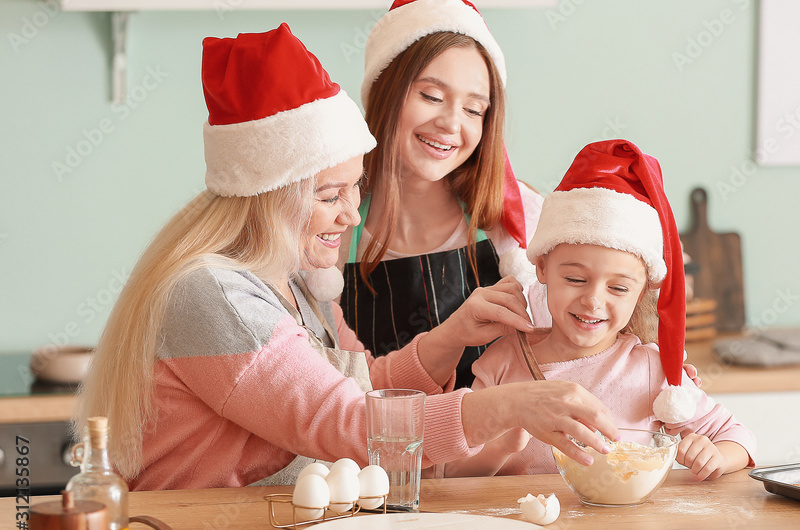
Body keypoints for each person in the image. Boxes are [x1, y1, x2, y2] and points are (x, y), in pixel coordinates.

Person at [73, 23, 617, 491]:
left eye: (353, 190)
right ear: (269, 195)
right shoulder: (215, 295)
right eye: (329, 196)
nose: (352, 217)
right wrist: (509, 407)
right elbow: (350, 424)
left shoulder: (293, 284)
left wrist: (449, 337)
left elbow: (359, 385)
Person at [446, 140, 757, 481]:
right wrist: (502, 445)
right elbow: (455, 475)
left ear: (641, 293)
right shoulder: (501, 364)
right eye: (575, 278)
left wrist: (715, 456)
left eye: (618, 287)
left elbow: (739, 439)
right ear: (543, 268)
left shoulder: (653, 370)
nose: (593, 300)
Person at [328, 0, 545, 388]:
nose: (450, 124)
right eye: (431, 96)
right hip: (368, 445)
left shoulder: (516, 218)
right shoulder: (334, 225)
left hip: (499, 446)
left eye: (474, 110)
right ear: (384, 92)